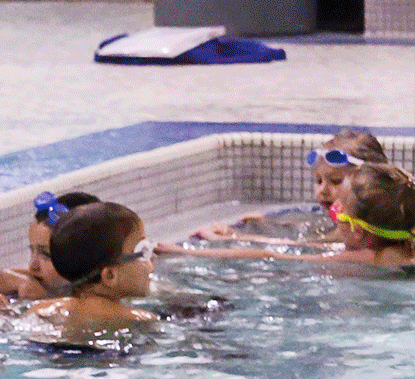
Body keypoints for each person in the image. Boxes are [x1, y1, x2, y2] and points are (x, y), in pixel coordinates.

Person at [159, 164, 414, 273]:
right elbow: (318, 246)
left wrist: (187, 252)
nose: (332, 214)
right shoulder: (401, 250)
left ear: (359, 231)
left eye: (338, 213)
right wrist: (239, 236)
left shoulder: (366, 259)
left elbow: (275, 256)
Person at [191, 129, 391, 247]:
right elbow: (309, 230)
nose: (323, 190)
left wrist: (234, 238)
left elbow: (305, 246)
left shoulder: (361, 227)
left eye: (336, 182)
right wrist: (271, 224)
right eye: (319, 181)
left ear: (368, 181)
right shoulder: (348, 219)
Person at [27, 202, 156, 330]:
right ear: (110, 275)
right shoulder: (138, 319)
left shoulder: (40, 310)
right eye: (143, 252)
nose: (152, 260)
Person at [0, 190, 99, 306]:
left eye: (46, 254)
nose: (33, 266)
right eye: (32, 251)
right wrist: (21, 282)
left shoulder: (93, 301)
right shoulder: (48, 282)